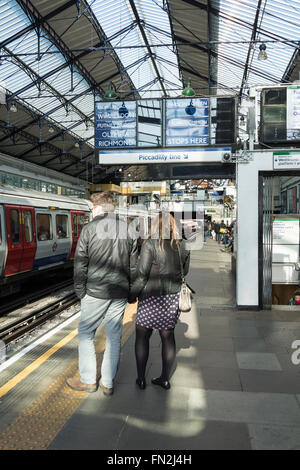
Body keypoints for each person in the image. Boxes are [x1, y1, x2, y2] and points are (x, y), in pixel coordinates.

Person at [67, 191, 138, 396]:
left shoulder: (89, 229)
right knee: (114, 337)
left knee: (86, 333)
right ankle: (108, 383)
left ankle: (89, 380)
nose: (91, 211)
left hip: (95, 291)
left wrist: (80, 290)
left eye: (91, 207)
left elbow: (80, 263)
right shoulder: (129, 230)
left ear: (99, 207)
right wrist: (131, 293)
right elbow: (133, 267)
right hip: (119, 292)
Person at [130, 212, 190, 391]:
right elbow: (184, 272)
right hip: (171, 297)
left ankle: (141, 379)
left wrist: (132, 295)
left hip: (150, 296)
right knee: (167, 336)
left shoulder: (150, 244)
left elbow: (141, 275)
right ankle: (164, 379)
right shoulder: (182, 244)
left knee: (142, 336)